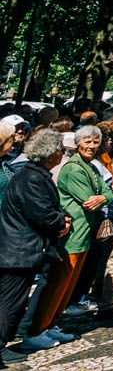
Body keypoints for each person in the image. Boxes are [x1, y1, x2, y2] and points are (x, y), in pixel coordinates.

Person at [30, 125, 110, 346]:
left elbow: (108, 191)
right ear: (77, 144)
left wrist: (102, 198)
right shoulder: (74, 168)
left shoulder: (91, 167)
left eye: (95, 142)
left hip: (83, 234)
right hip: (71, 235)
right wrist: (101, 197)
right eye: (87, 141)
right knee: (58, 284)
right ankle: (38, 330)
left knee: (67, 286)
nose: (92, 146)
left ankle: (52, 323)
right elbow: (88, 199)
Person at [0, 129, 71, 351]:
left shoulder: (34, 174)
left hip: (22, 250)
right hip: (19, 251)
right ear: (50, 153)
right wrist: (61, 221)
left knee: (14, 302)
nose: (62, 155)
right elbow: (41, 213)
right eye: (60, 151)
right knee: (9, 303)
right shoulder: (31, 177)